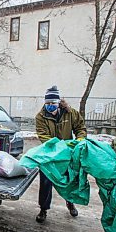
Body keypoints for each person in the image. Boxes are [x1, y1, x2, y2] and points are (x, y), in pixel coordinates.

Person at [35, 85, 87, 223]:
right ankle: (43, 209)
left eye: (53, 103)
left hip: (68, 153)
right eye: (47, 103)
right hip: (49, 153)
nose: (50, 106)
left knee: (69, 180)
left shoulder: (71, 113)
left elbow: (80, 128)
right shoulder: (41, 117)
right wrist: (57, 146)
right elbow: (42, 135)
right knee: (46, 181)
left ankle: (70, 202)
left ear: (59, 103)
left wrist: (80, 139)